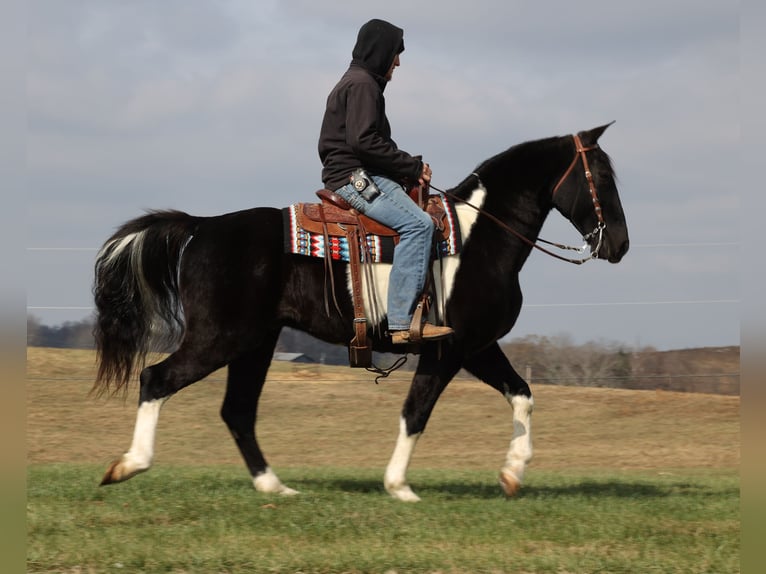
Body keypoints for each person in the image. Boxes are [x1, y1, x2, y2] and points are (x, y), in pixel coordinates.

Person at [318, 18, 453, 345]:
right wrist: (411, 165)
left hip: (354, 171)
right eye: (395, 54)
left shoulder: (357, 81)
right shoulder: (363, 85)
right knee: (420, 225)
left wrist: (407, 167)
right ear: (380, 52)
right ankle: (401, 323)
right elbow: (364, 141)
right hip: (355, 177)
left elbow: (369, 142)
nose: (398, 62)